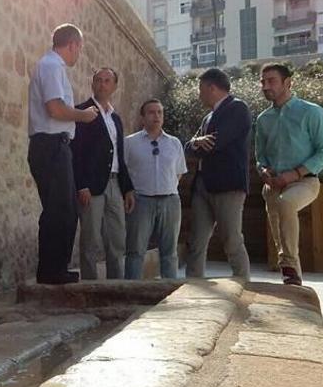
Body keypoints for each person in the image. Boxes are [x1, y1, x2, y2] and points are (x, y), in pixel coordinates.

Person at [27, 23, 99, 285]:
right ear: (73, 45)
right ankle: (50, 271)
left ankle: (56, 268)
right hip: (50, 145)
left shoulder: (52, 67)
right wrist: (84, 115)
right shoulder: (51, 66)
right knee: (59, 210)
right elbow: (55, 109)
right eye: (79, 48)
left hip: (56, 146)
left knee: (66, 209)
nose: (79, 54)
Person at [255, 63, 323, 286]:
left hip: (305, 182)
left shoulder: (311, 112)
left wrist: (295, 174)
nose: (265, 86)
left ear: (288, 83)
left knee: (286, 203)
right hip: (272, 185)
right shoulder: (263, 119)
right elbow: (260, 155)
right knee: (280, 232)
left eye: (271, 81)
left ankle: (287, 264)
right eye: (263, 81)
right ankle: (293, 279)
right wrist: (263, 170)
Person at [183, 68, 252, 280]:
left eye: (201, 88)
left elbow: (215, 143)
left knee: (231, 239)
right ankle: (192, 288)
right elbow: (188, 147)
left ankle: (244, 284)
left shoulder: (237, 108)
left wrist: (198, 144)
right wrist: (196, 142)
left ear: (212, 87)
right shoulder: (208, 117)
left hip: (228, 186)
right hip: (203, 186)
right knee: (197, 241)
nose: (199, 94)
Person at [71, 67, 135, 279]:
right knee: (90, 240)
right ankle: (90, 286)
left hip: (116, 185)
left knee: (117, 239)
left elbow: (119, 154)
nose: (102, 84)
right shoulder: (82, 111)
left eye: (107, 80)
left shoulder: (115, 119)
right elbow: (76, 152)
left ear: (115, 86)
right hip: (92, 187)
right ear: (92, 84)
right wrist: (81, 185)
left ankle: (116, 286)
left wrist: (128, 189)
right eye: (98, 80)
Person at [124, 99, 187, 279]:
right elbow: (124, 171)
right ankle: (131, 291)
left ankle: (169, 292)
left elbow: (179, 172)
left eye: (159, 112)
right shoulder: (130, 143)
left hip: (170, 201)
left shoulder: (174, 143)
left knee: (169, 252)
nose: (156, 116)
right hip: (141, 201)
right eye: (151, 112)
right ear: (142, 117)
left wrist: (166, 187)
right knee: (135, 250)